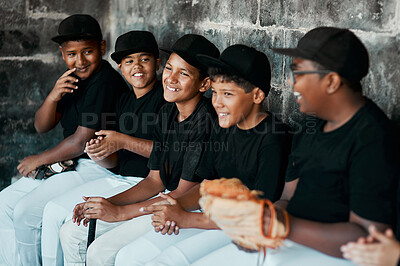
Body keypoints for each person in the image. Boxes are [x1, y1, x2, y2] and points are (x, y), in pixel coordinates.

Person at [186, 27, 399, 266]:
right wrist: (260, 221)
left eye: (298, 73)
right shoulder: (309, 126)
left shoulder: (372, 139)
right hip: (290, 241)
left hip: (338, 256)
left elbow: (368, 238)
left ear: (331, 81)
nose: (290, 81)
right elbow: (288, 197)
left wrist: (280, 225)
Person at [113, 44, 292, 266]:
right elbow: (206, 185)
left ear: (256, 95)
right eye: (215, 93)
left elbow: (258, 210)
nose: (216, 102)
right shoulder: (223, 126)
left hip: (244, 228)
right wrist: (175, 206)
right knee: (130, 257)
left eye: (227, 94)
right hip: (210, 215)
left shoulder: (273, 137)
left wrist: (187, 218)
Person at [59, 34, 220, 266]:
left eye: (183, 74)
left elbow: (182, 195)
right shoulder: (167, 113)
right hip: (161, 196)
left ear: (204, 84)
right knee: (71, 232)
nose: (171, 79)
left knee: (100, 252)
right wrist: (107, 203)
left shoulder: (206, 121)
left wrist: (120, 213)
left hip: (182, 205)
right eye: (170, 69)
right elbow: (154, 180)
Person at [0, 14, 129, 266]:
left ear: (102, 48)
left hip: (97, 166)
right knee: (4, 203)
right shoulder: (72, 78)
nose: (79, 60)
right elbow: (41, 126)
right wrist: (53, 96)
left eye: (88, 51)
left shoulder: (104, 81)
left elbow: (81, 142)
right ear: (62, 53)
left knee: (27, 212)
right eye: (72, 54)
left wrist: (39, 159)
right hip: (70, 163)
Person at [39, 30, 166, 265]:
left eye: (144, 59)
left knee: (75, 231)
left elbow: (170, 154)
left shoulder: (166, 100)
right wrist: (98, 153)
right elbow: (115, 162)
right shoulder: (124, 101)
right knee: (62, 216)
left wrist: (122, 140)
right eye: (128, 61)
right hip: (121, 177)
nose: (136, 66)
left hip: (152, 185)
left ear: (158, 63)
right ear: (120, 67)